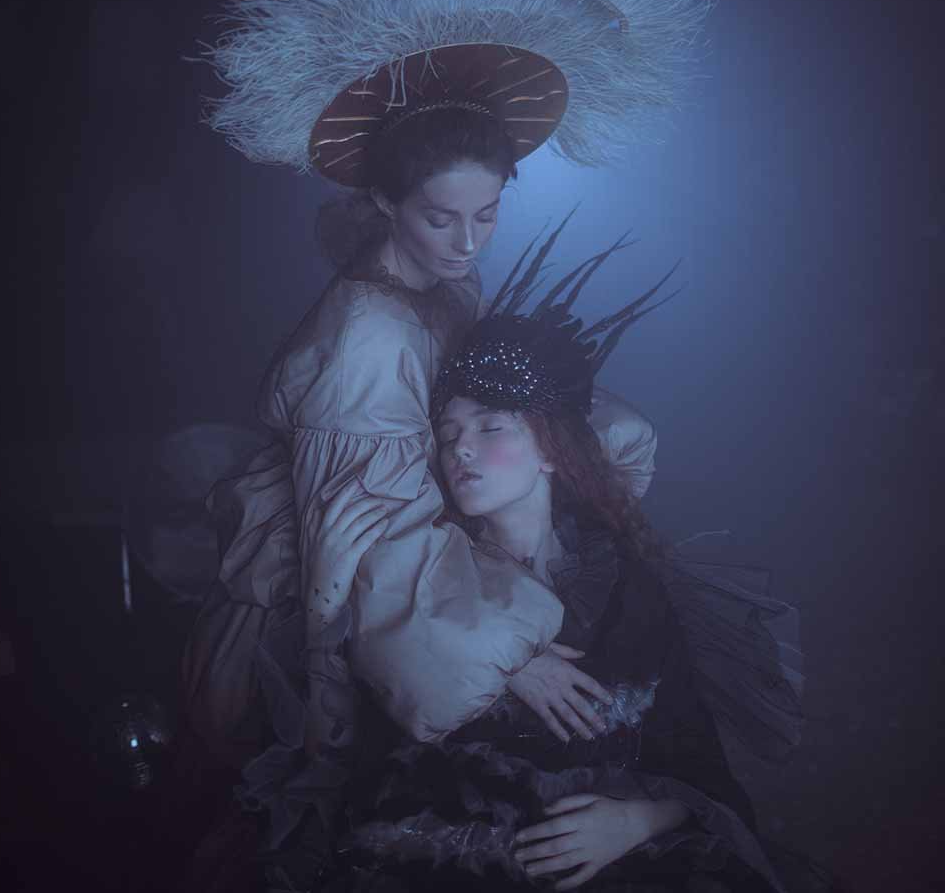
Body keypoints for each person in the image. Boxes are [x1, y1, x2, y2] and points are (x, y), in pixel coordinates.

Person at [181, 0, 707, 777]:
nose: (467, 243)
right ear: (385, 203)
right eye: (439, 218)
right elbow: (365, 542)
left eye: (487, 215)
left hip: (443, 550)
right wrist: (508, 653)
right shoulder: (368, 337)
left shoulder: (449, 285)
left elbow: (504, 396)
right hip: (360, 606)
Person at [261, 238, 815, 893]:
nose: (461, 449)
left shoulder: (624, 586)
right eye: (448, 434)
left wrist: (638, 820)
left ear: (551, 450)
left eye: (491, 427)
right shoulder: (420, 582)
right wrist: (501, 660)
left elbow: (695, 761)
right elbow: (369, 751)